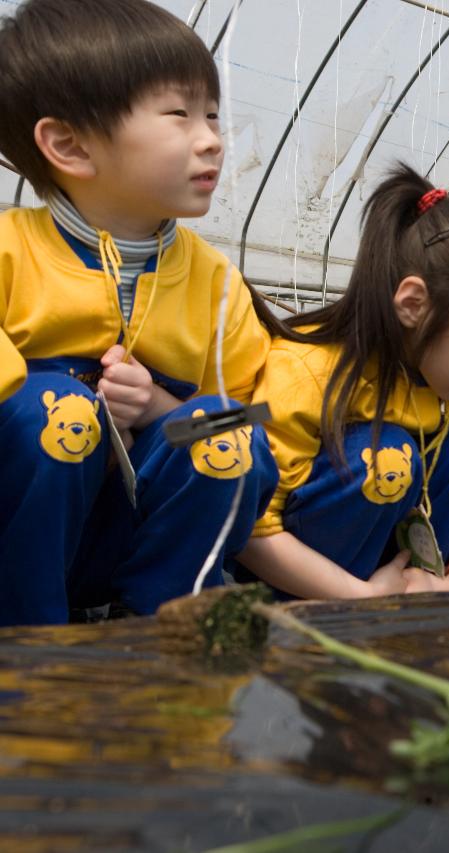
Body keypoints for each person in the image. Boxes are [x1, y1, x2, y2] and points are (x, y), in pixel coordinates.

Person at [0, 0, 277, 625]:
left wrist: (160, 410)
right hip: (27, 532)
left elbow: (261, 410)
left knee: (225, 427)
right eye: (179, 115)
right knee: (53, 410)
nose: (212, 138)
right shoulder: (10, 253)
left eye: (212, 114)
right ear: (69, 145)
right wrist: (72, 398)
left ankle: (159, 619)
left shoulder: (217, 282)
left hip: (134, 518)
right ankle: (27, 637)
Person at [236, 164, 449, 599]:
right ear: (414, 304)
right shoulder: (308, 372)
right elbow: (253, 526)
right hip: (302, 583)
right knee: (385, 455)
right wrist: (360, 597)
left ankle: (418, 599)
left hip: (405, 585)